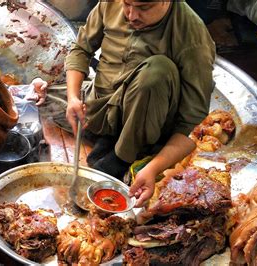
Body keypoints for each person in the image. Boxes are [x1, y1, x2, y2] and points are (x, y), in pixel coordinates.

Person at [64, 0, 216, 207]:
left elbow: (191, 123)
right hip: (99, 104)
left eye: (144, 8)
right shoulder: (111, 4)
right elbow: (81, 49)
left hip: (148, 116)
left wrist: (153, 168)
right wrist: (73, 97)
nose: (132, 15)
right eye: (127, 4)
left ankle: (122, 157)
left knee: (158, 70)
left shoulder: (192, 34)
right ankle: (110, 136)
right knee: (38, 98)